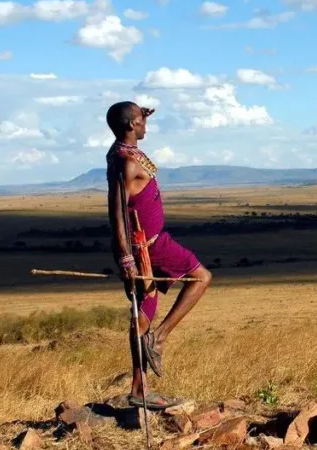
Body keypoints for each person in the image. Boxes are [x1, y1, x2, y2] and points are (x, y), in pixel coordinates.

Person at [105, 101, 212, 410]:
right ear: (129, 126)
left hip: (146, 245)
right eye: (140, 120)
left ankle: (139, 388)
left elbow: (126, 129)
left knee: (141, 317)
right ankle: (161, 337)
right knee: (202, 277)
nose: (145, 125)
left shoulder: (121, 152)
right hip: (150, 247)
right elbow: (117, 215)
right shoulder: (125, 163)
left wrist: (136, 113)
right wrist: (125, 258)